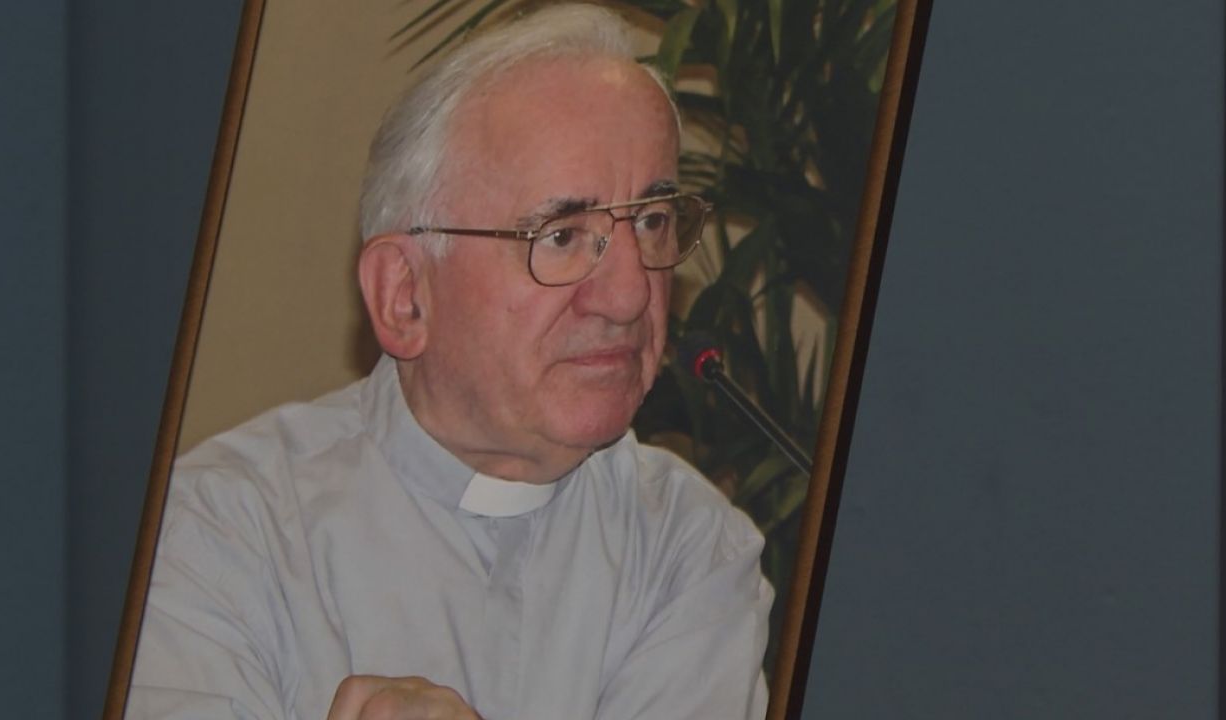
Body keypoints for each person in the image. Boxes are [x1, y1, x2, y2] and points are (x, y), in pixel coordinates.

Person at [128, 5, 773, 719]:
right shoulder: (217, 530)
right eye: (561, 236)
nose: (629, 295)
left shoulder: (691, 547)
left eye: (652, 221)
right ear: (405, 295)